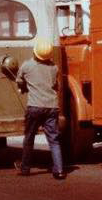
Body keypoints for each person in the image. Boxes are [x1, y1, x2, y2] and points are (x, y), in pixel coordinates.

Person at [14, 37, 65, 180]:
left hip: (35, 107)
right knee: (54, 140)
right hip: (52, 107)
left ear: (35, 52)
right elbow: (55, 84)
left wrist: (23, 87)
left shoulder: (27, 65)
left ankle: (25, 168)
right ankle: (59, 170)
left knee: (29, 138)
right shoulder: (54, 68)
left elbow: (19, 80)